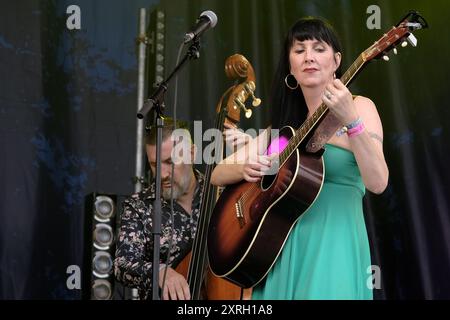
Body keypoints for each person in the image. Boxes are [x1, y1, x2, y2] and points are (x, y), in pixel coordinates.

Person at [211, 17, 389, 299]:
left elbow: (378, 182)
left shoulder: (361, 107)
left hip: (335, 246)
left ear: (336, 61)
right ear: (290, 65)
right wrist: (246, 167)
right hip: (280, 249)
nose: (309, 57)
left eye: (319, 48)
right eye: (299, 49)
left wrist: (352, 122)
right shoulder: (284, 133)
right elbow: (217, 173)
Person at [114, 119, 203, 300]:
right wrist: (160, 271)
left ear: (192, 153)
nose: (162, 174)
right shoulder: (139, 206)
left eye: (170, 161)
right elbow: (121, 264)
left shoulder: (219, 193)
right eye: (155, 164)